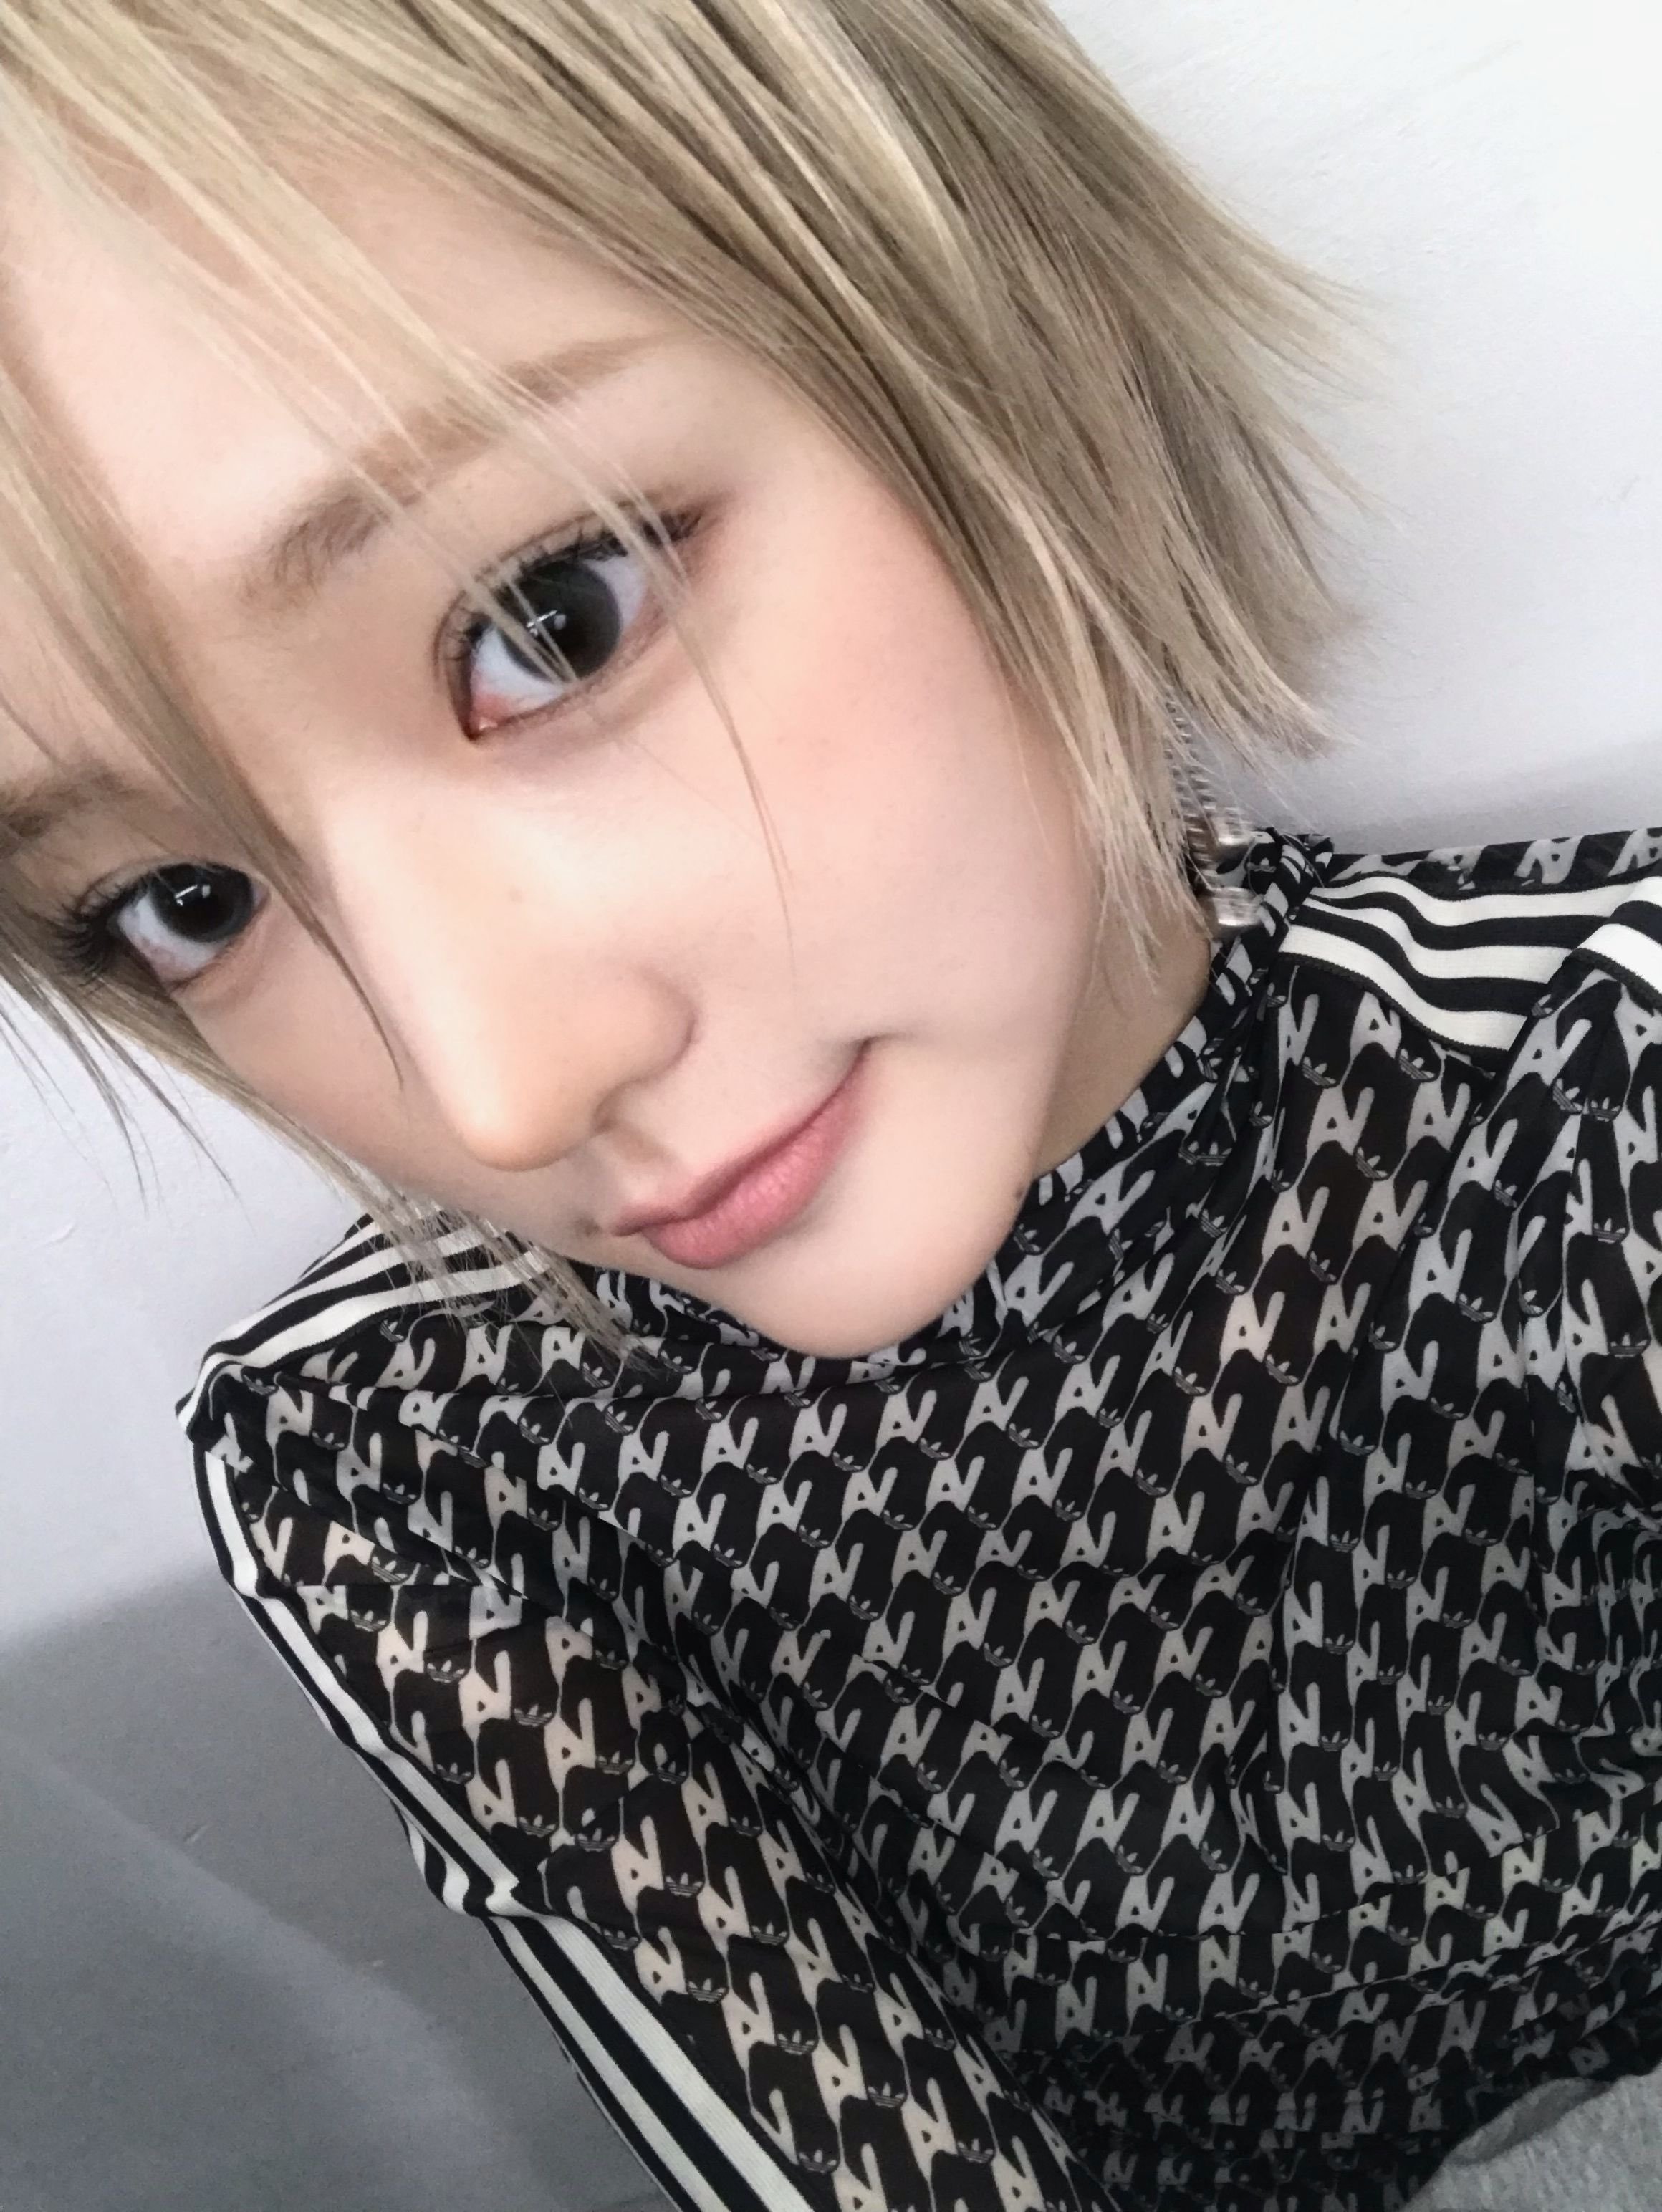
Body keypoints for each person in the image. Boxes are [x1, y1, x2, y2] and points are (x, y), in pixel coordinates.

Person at [0, 3, 1658, 2208]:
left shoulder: (1588, 1088)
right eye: (181, 904)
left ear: (991, 326)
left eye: (551, 617)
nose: (501, 1092)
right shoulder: (398, 1456)